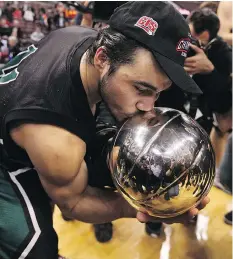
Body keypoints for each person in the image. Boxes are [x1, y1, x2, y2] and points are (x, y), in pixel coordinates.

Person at [0, 2, 209, 258]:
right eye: (141, 89)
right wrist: (139, 209)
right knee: (35, 246)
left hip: (20, 110)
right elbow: (74, 202)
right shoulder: (56, 138)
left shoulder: (81, 36)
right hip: (9, 157)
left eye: (157, 93)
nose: (148, 107)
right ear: (102, 58)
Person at [185, 8, 232, 134]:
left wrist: (210, 72)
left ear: (205, 34)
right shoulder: (188, 46)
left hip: (208, 120)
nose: (187, 39)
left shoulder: (223, 54)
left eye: (190, 35)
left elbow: (223, 103)